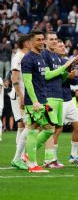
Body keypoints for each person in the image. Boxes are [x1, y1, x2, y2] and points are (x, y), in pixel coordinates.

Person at [22, 30, 76, 173]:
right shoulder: (28, 59)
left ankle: (28, 156)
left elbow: (41, 80)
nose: (41, 42)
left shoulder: (40, 57)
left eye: (41, 39)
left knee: (49, 129)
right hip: (34, 101)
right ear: (31, 42)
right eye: (38, 40)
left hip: (43, 99)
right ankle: (31, 162)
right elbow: (27, 82)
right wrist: (34, 101)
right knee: (35, 129)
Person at [41, 31, 78, 168]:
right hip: (48, 95)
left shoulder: (56, 57)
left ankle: (50, 159)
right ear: (45, 41)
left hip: (58, 96)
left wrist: (68, 73)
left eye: (55, 39)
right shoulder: (44, 55)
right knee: (49, 129)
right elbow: (47, 75)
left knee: (52, 129)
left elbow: (60, 77)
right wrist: (65, 67)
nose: (54, 41)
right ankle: (32, 154)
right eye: (51, 39)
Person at [54, 40, 78, 166]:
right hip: (58, 99)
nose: (63, 47)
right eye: (60, 46)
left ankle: (73, 155)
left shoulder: (66, 61)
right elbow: (54, 78)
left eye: (63, 45)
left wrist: (73, 72)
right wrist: (68, 74)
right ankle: (53, 158)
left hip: (68, 98)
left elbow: (74, 82)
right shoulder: (52, 61)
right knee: (58, 129)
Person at [10, 35, 31, 170]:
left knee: (23, 126)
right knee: (28, 124)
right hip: (20, 95)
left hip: (25, 95)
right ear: (26, 43)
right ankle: (18, 157)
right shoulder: (18, 57)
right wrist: (21, 96)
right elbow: (14, 78)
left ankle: (20, 157)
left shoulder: (26, 56)